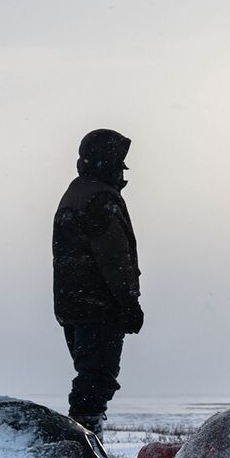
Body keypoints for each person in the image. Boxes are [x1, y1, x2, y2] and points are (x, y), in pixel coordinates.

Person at [52, 128, 143, 436]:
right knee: (96, 377)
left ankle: (87, 440)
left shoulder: (78, 193)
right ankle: (84, 443)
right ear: (107, 163)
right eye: (118, 165)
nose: (122, 173)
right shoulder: (99, 199)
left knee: (92, 375)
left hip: (74, 303)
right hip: (97, 306)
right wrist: (129, 302)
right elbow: (114, 257)